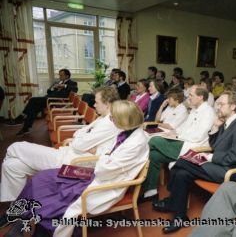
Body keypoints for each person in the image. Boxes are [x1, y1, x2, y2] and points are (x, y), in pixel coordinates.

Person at [1, 100, 149, 237]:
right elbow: (105, 156)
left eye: (114, 117)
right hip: (95, 173)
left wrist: (103, 156)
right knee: (43, 177)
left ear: (124, 120)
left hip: (104, 183)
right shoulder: (125, 132)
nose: (111, 120)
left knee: (57, 194)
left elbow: (105, 169)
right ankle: (21, 219)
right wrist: (103, 155)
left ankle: (37, 228)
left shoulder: (136, 143)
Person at [153, 91, 236, 233]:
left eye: (221, 104)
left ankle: (171, 202)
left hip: (230, 171)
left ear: (233, 106)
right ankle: (180, 215)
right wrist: (215, 128)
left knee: (181, 161)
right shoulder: (227, 123)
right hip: (218, 165)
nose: (217, 107)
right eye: (217, 103)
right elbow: (215, 146)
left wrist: (210, 157)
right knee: (181, 173)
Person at [0, 86, 120, 203]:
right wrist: (83, 142)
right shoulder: (103, 118)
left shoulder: (108, 123)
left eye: (97, 102)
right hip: (71, 156)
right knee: (11, 165)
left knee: (15, 147)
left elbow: (79, 144)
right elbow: (79, 135)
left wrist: (81, 141)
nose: (94, 105)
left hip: (75, 166)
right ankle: (17, 206)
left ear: (108, 104)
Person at [140, 85, 215, 202]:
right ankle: (151, 191)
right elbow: (183, 128)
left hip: (194, 148)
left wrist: (177, 136)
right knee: (153, 155)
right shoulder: (195, 110)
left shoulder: (208, 112)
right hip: (182, 142)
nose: (188, 97)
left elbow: (198, 136)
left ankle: (130, 163)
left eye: (191, 95)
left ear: (200, 97)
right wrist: (174, 133)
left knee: (154, 140)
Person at [12, 69, 78, 136]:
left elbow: (75, 89)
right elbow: (48, 91)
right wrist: (53, 88)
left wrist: (64, 86)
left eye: (61, 75)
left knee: (32, 100)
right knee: (34, 108)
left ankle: (23, 116)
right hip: (49, 98)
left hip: (56, 101)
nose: (59, 77)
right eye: (59, 75)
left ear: (67, 76)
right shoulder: (58, 82)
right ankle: (25, 127)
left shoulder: (72, 83)